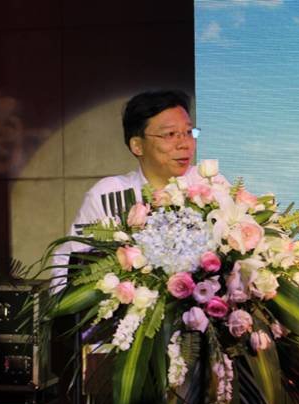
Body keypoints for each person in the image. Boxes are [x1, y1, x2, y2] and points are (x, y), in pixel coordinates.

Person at [51, 89, 205, 291]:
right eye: (170, 134)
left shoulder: (209, 186)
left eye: (189, 132)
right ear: (137, 145)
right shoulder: (108, 195)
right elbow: (69, 266)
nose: (185, 144)